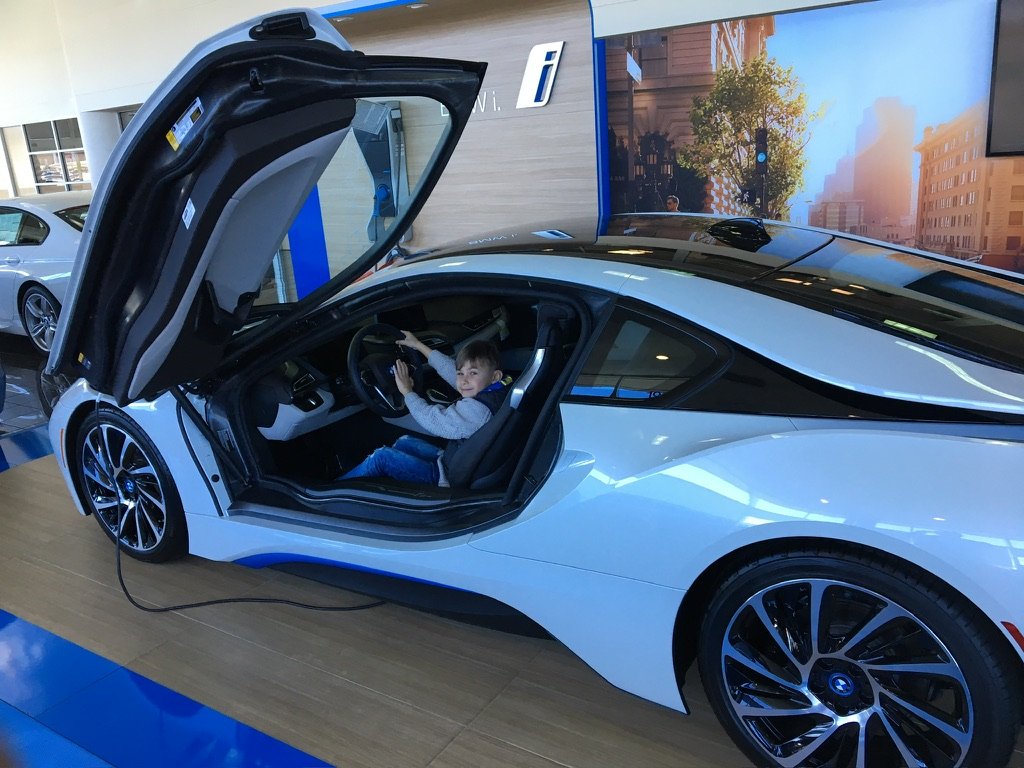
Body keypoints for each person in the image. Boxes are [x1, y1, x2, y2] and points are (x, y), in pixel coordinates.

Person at [341, 332, 509, 486]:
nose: (463, 381)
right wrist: (419, 346)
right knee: (403, 441)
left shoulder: (477, 411)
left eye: (473, 373)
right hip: (454, 459)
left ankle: (335, 491)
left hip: (444, 479)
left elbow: (434, 420)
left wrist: (407, 391)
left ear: (495, 376)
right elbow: (452, 371)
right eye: (461, 373)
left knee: (380, 458)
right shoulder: (498, 389)